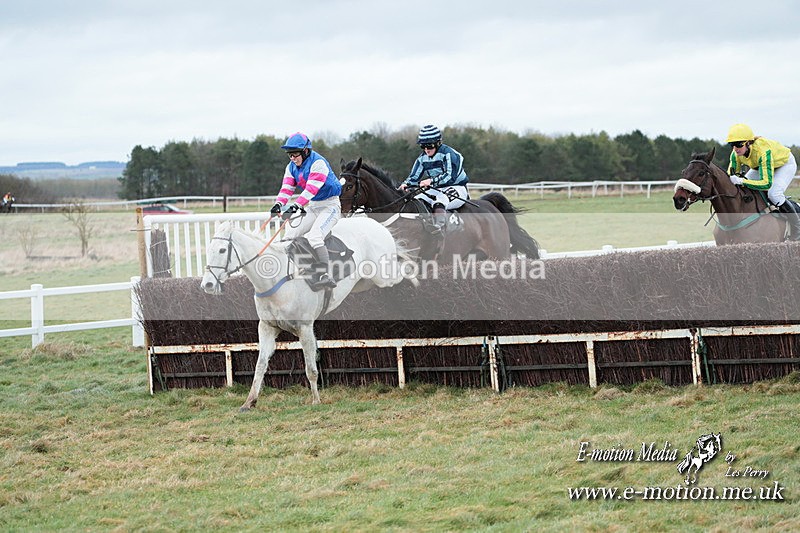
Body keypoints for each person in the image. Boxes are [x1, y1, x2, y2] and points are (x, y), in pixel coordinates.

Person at [270, 132, 342, 288]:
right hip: (314, 207)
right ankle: (287, 270)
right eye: (289, 155)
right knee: (289, 235)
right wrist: (278, 204)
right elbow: (287, 189)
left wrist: (296, 205)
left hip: (330, 206)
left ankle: (325, 273)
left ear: (306, 151)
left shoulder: (318, 163)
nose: (292, 158)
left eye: (295, 154)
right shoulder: (291, 167)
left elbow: (310, 191)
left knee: (315, 236)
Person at [726, 123, 800, 240]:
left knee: (774, 194)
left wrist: (741, 181)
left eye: (738, 144)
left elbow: (766, 183)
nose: (735, 148)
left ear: (748, 143)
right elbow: (730, 177)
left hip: (784, 165)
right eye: (732, 145)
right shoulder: (735, 155)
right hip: (759, 167)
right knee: (743, 189)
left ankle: (797, 229)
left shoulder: (763, 151)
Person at [398, 124, 470, 234]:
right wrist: (405, 185)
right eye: (423, 146)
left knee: (440, 201)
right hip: (436, 188)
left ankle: (439, 229)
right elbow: (414, 177)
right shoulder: (422, 159)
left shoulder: (449, 154)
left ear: (438, 143)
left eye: (430, 146)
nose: (426, 150)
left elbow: (450, 176)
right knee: (417, 200)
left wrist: (431, 181)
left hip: (457, 187)